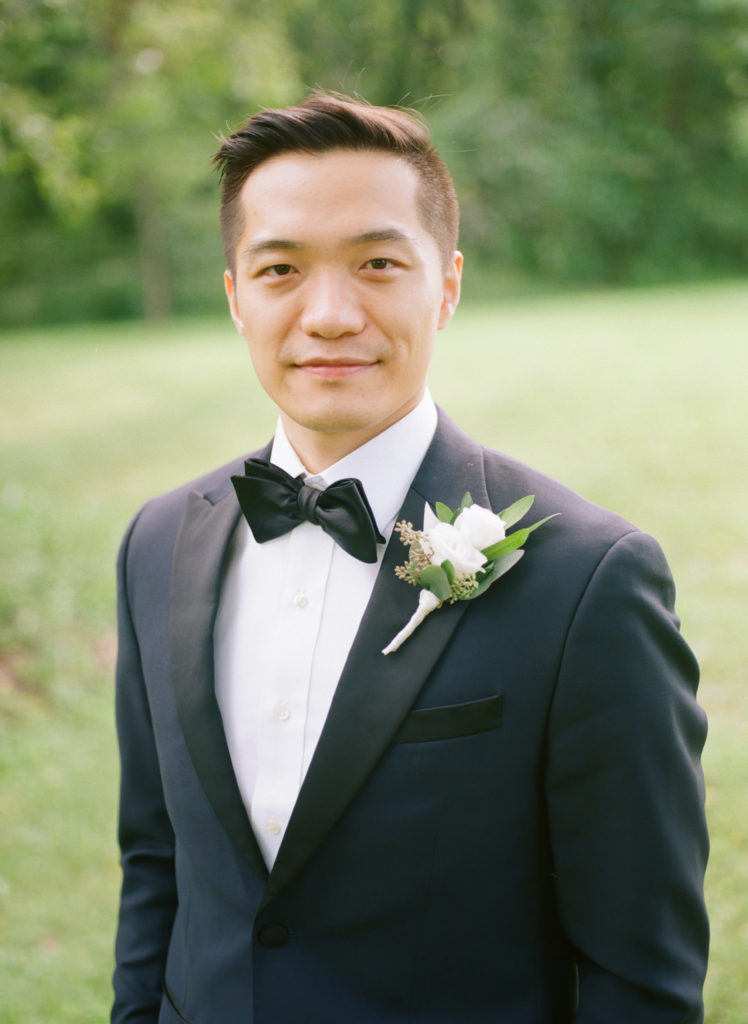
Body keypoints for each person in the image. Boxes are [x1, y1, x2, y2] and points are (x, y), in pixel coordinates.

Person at [111, 92, 709, 1023]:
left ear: (448, 285)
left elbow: (641, 972)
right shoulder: (157, 544)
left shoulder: (590, 580)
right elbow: (155, 867)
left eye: (378, 264)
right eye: (280, 271)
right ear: (235, 296)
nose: (330, 314)